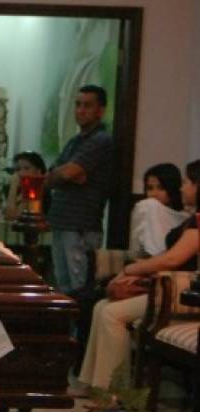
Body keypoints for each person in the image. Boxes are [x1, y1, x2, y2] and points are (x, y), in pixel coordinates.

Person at [78, 160, 199, 390]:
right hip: (165, 286)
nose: (182, 188)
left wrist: (129, 270)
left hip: (178, 292)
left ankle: (114, 392)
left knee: (112, 313)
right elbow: (166, 256)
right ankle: (96, 386)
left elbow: (173, 260)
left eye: (186, 182)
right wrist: (140, 270)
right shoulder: (191, 219)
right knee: (101, 306)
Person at [45, 85, 115, 295]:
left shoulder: (101, 140)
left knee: (79, 288)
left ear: (100, 110)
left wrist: (67, 174)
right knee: (63, 288)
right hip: (61, 222)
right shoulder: (75, 141)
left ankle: (80, 329)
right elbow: (50, 177)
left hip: (81, 226)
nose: (80, 110)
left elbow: (67, 173)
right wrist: (67, 174)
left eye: (87, 105)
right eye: (78, 105)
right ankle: (68, 329)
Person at [128, 163, 188, 258]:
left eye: (161, 188)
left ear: (172, 188)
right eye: (150, 188)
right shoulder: (147, 207)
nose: (154, 194)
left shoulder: (187, 217)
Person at [4, 151, 47, 220]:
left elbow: (11, 216)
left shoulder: (38, 192)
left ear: (39, 171)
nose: (21, 173)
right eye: (18, 169)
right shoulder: (18, 191)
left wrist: (13, 186)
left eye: (26, 168)